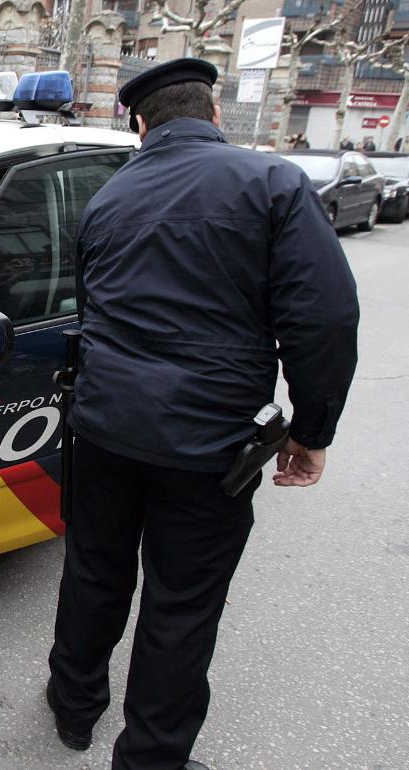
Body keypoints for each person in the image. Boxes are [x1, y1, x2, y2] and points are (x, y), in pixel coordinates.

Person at [46, 58, 359, 770]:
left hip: (101, 428)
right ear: (216, 117)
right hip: (207, 443)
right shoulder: (273, 182)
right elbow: (326, 321)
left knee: (93, 570)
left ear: (139, 124)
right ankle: (151, 757)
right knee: (181, 602)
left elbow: (92, 316)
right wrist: (312, 433)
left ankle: (72, 705)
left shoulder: (109, 197)